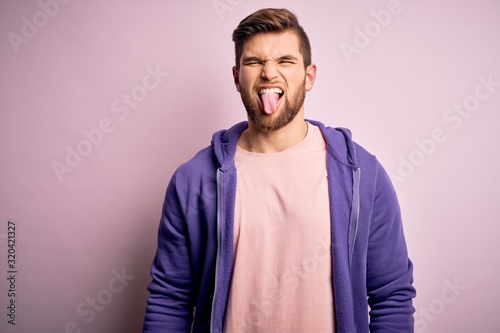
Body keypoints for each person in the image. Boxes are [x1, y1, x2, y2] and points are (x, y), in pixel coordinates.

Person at [143, 8, 416, 333]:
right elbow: (169, 298)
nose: (269, 73)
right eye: (254, 61)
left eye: (285, 61)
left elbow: (391, 295)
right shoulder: (193, 180)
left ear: (309, 76)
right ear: (236, 76)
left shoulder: (361, 175)